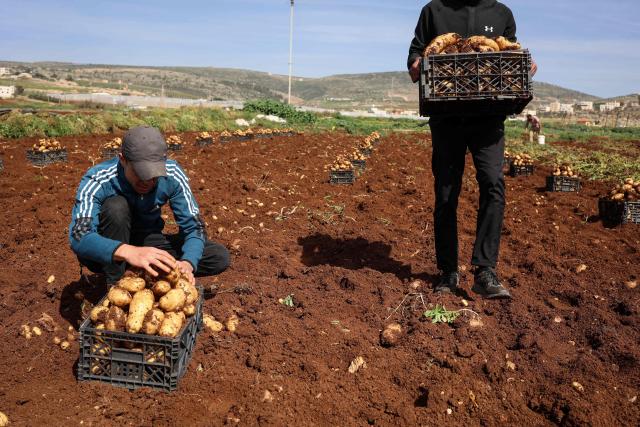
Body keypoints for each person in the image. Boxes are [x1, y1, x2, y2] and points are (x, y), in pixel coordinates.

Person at [407, 0, 537, 299]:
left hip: (489, 118)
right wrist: (416, 64)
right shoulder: (434, 10)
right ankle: (448, 271)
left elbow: (509, 53)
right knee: (446, 192)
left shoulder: (501, 13)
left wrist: (524, 65)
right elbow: (416, 53)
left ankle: (485, 271)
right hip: (446, 117)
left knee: (493, 183)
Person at [69, 126, 230, 286]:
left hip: (148, 242)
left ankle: (140, 271)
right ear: (123, 160)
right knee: (116, 207)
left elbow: (194, 227)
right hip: (111, 245)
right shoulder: (98, 178)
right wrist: (128, 252)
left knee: (217, 256)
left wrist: (187, 263)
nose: (147, 182)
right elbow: (79, 235)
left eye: (154, 175)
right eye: (141, 173)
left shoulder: (172, 173)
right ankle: (116, 285)